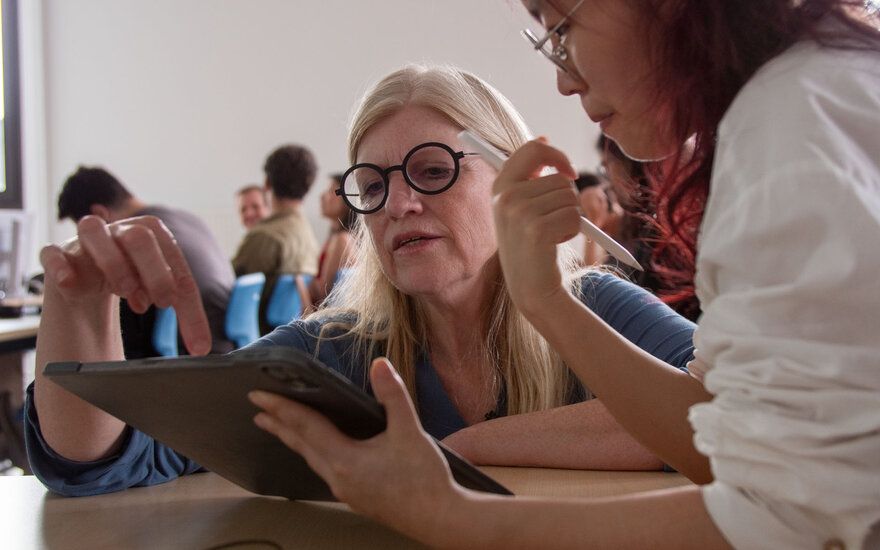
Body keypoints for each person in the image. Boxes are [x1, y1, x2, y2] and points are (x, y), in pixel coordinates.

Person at [248, 1, 880, 549]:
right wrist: (545, 299)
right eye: (371, 185)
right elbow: (725, 433)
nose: (562, 79)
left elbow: (797, 518)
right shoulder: (804, 101)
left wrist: (454, 515)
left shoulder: (792, 126)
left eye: (560, 28)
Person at [26, 65, 697, 498]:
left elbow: (744, 416)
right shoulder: (336, 350)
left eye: (433, 170)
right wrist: (76, 305)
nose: (400, 204)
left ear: (514, 181)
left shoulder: (598, 309)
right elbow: (112, 460)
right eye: (372, 186)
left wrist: (458, 452)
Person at [56, 166, 235, 356]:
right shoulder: (187, 219)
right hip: (225, 345)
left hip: (190, 356)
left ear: (100, 215)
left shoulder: (135, 243)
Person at [231, 144, 321, 333]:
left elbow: (228, 285)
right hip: (291, 336)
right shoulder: (307, 234)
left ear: (267, 184)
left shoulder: (264, 236)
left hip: (261, 336)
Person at [307, 173, 356, 306]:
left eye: (331, 192)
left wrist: (302, 272)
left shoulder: (342, 240)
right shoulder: (344, 237)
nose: (322, 196)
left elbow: (323, 293)